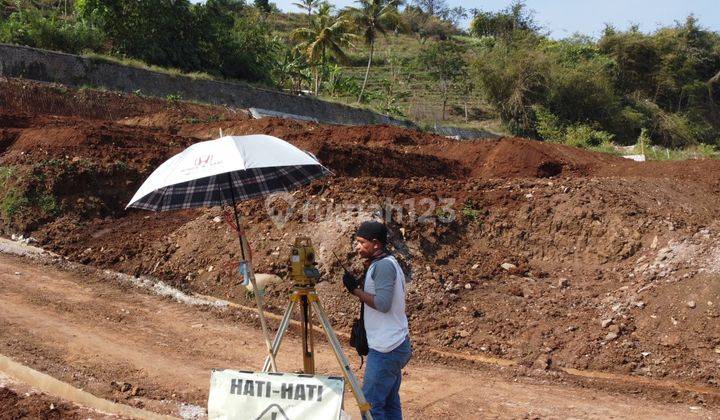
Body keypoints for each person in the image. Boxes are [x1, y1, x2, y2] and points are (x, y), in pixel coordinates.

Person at [342, 220, 411, 420]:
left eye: (361, 242)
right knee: (389, 402)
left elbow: (382, 304)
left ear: (376, 244)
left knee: (370, 406)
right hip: (393, 344)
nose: (357, 247)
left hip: (386, 349)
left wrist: (355, 290)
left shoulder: (383, 266)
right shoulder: (384, 263)